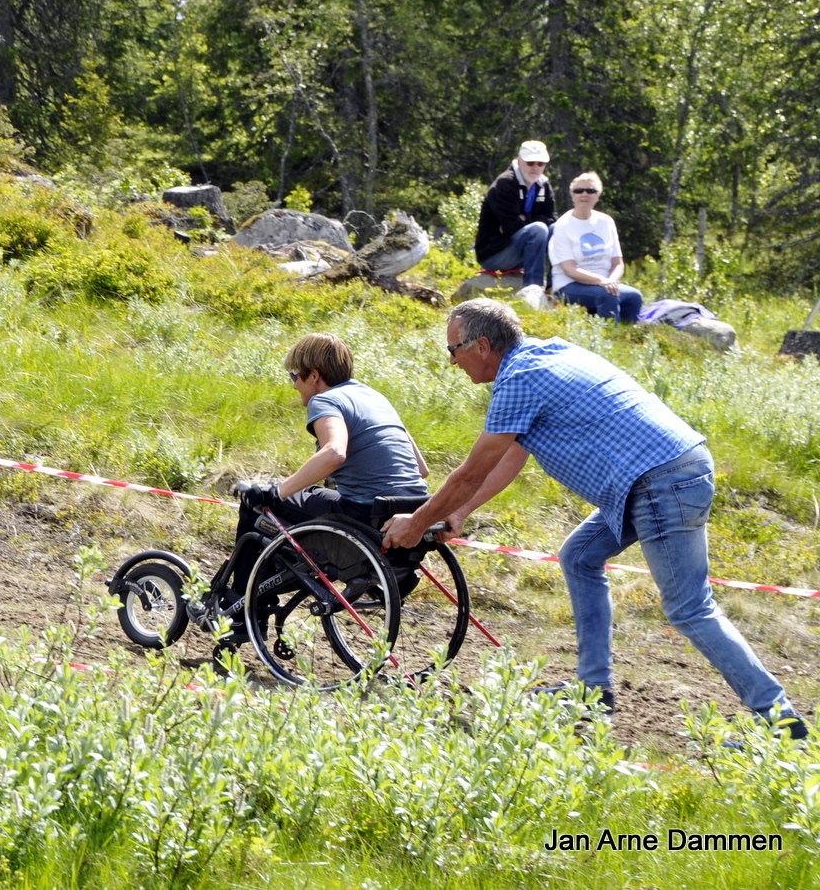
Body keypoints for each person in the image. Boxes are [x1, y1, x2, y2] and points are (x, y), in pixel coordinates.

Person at [382, 299, 808, 736]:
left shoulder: (520, 379)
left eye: (453, 349)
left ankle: (781, 723)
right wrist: (459, 511)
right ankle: (592, 691)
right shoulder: (549, 354)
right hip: (662, 474)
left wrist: (415, 522)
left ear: (484, 345)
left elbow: (471, 472)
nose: (452, 361)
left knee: (689, 607)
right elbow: (512, 453)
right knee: (580, 557)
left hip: (658, 482)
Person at [228, 333, 430, 600]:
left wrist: (275, 492)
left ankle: (239, 601)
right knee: (309, 499)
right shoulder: (374, 396)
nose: (293, 385)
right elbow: (422, 468)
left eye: (294, 376)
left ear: (314, 375)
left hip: (364, 514)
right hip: (414, 507)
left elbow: (334, 452)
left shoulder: (325, 400)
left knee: (256, 504)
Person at [548, 171, 643, 322]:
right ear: (572, 195)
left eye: (591, 191)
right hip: (570, 285)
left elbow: (618, 263)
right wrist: (602, 282)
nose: (584, 194)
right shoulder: (562, 225)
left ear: (598, 195)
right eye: (579, 191)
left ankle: (627, 337)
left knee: (634, 296)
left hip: (605, 284)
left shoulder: (606, 222)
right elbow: (569, 269)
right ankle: (608, 338)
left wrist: (610, 281)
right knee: (607, 296)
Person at [475, 140, 557, 297]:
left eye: (540, 163)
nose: (535, 167)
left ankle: (553, 288)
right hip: (495, 254)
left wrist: (525, 218)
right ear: (519, 162)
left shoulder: (543, 185)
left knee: (555, 230)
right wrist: (534, 222)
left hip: (522, 250)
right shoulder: (505, 183)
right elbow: (512, 225)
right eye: (530, 162)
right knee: (538, 229)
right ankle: (533, 289)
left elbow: (553, 218)